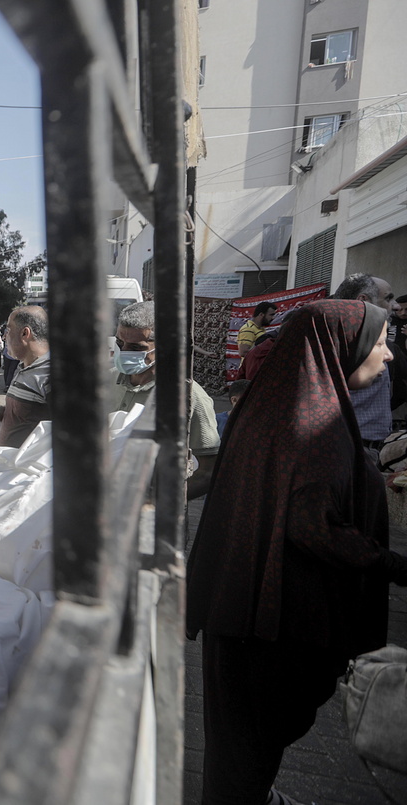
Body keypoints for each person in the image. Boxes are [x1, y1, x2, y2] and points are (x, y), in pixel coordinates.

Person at [185, 299, 407, 805]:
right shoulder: (313, 428)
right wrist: (392, 564)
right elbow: (314, 527)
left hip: (243, 614)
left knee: (239, 747)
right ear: (341, 347)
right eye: (378, 343)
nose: (389, 354)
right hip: (272, 627)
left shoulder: (281, 405)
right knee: (249, 745)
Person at [113, 301, 220, 499]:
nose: (124, 351)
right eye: (120, 343)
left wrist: (161, 504)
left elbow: (208, 472)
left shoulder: (188, 395)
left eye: (136, 347)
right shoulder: (105, 380)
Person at [334, 274, 399, 464]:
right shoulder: (341, 341)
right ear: (363, 300)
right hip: (349, 451)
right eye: (388, 298)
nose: (395, 306)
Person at [0, 306, 51, 447]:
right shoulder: (23, 368)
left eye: (8, 330)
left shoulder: (47, 375)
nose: (4, 336)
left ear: (25, 333)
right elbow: (25, 418)